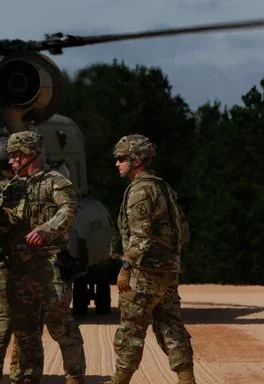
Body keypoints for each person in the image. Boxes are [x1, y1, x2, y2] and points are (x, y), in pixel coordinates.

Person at [0, 131, 86, 384]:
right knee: (24, 329)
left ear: (31, 155)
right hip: (20, 268)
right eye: (11, 155)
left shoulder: (55, 181)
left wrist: (47, 230)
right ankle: (26, 377)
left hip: (49, 266)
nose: (12, 160)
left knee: (61, 326)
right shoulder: (13, 186)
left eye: (16, 155)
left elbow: (69, 209)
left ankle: (74, 376)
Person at [107, 134, 195, 384]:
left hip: (144, 273)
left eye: (122, 158)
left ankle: (120, 380)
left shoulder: (140, 191)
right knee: (171, 326)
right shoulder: (161, 186)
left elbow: (140, 237)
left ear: (136, 160)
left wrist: (125, 267)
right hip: (168, 272)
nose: (117, 163)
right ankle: (187, 379)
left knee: (131, 329)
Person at [0, 154, 43, 384]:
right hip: (12, 265)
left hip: (17, 266)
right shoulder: (10, 190)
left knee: (12, 326)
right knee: (12, 326)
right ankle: (10, 376)